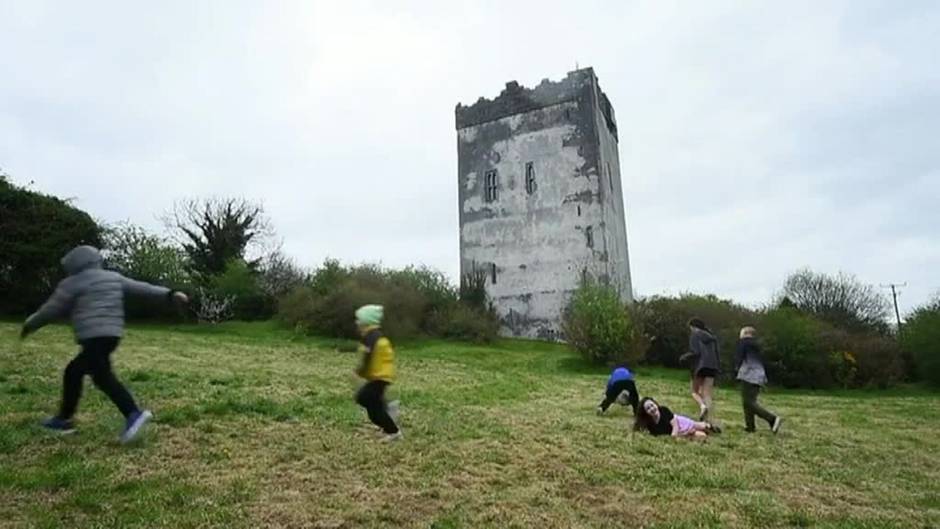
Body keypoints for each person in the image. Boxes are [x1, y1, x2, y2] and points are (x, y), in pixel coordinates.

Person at [19, 245, 188, 443]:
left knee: (88, 374)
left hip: (92, 337)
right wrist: (170, 294)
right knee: (86, 373)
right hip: (112, 335)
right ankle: (64, 418)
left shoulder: (72, 283)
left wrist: (30, 324)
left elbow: (51, 310)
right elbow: (143, 288)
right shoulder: (113, 277)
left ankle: (132, 413)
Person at [353, 304, 402, 442]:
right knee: (372, 406)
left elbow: (368, 357)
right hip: (379, 376)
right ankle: (388, 420)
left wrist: (359, 372)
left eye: (359, 320)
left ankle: (393, 431)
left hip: (380, 377)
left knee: (363, 398)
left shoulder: (372, 337)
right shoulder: (373, 336)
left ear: (366, 321)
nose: (356, 323)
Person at [735, 326, 782, 434]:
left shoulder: (744, 342)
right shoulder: (758, 345)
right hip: (759, 374)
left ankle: (772, 419)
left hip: (748, 373)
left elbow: (739, 357)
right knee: (749, 401)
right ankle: (750, 427)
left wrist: (736, 369)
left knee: (748, 401)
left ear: (746, 333)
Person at [680, 318, 720, 421]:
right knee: (707, 394)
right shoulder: (711, 338)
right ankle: (710, 421)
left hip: (700, 366)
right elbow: (717, 354)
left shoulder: (695, 335)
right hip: (712, 367)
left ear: (693, 326)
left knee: (694, 391)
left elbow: (695, 352)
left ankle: (702, 406)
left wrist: (684, 357)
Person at [633, 397, 720, 439]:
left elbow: (675, 425)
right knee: (702, 436)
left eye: (652, 405)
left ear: (655, 404)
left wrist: (673, 437)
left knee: (700, 426)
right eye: (648, 408)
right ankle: (704, 432)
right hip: (681, 434)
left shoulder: (663, 410)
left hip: (680, 423)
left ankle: (709, 426)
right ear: (646, 413)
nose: (652, 409)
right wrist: (685, 434)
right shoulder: (651, 425)